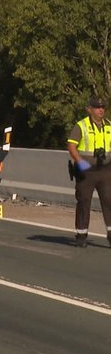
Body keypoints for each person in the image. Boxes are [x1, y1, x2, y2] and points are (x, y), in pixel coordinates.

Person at [66, 95, 111, 247]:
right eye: (98, 107)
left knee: (109, 201)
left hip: (105, 170)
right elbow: (71, 145)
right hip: (86, 171)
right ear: (89, 109)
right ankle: (81, 235)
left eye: (103, 107)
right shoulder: (81, 126)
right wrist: (79, 161)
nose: (101, 110)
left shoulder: (109, 125)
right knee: (84, 201)